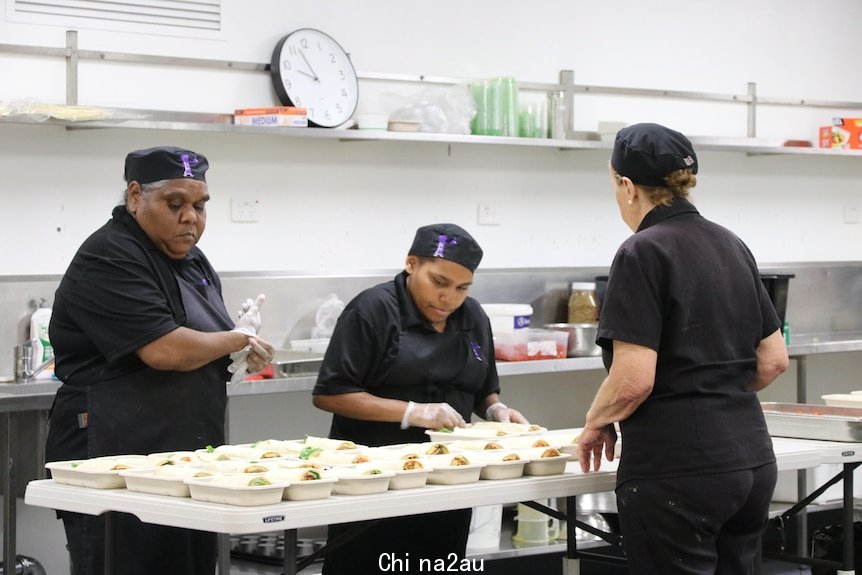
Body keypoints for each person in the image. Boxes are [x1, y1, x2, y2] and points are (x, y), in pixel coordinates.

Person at [45, 145, 276, 575]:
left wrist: (241, 346)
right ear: (135, 196)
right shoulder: (109, 254)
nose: (191, 218)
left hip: (186, 456)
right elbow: (164, 350)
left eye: (200, 206)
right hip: (115, 456)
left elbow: (207, 337)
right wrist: (231, 339)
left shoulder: (191, 259)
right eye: (176, 204)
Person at [576, 123, 789, 574]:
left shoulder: (641, 252)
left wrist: (595, 421)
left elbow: (633, 382)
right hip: (751, 465)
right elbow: (773, 360)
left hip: (678, 473)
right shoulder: (731, 244)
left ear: (627, 186)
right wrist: (715, 389)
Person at [312, 223, 529, 574]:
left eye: (462, 288)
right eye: (439, 283)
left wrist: (495, 408)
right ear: (412, 264)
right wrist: (412, 412)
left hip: (449, 477)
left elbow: (481, 387)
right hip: (375, 479)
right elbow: (331, 393)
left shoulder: (472, 315)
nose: (449, 298)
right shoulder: (372, 310)